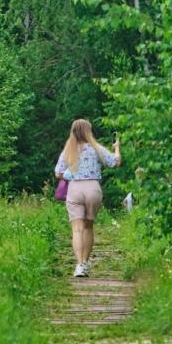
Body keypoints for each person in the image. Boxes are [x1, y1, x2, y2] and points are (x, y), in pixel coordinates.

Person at [54, 118, 121, 277]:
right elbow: (115, 162)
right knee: (89, 227)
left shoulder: (68, 150)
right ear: (88, 131)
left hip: (75, 189)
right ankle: (85, 262)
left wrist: (71, 173)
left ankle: (79, 265)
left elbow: (58, 173)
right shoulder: (96, 148)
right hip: (93, 188)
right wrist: (116, 148)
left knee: (77, 229)